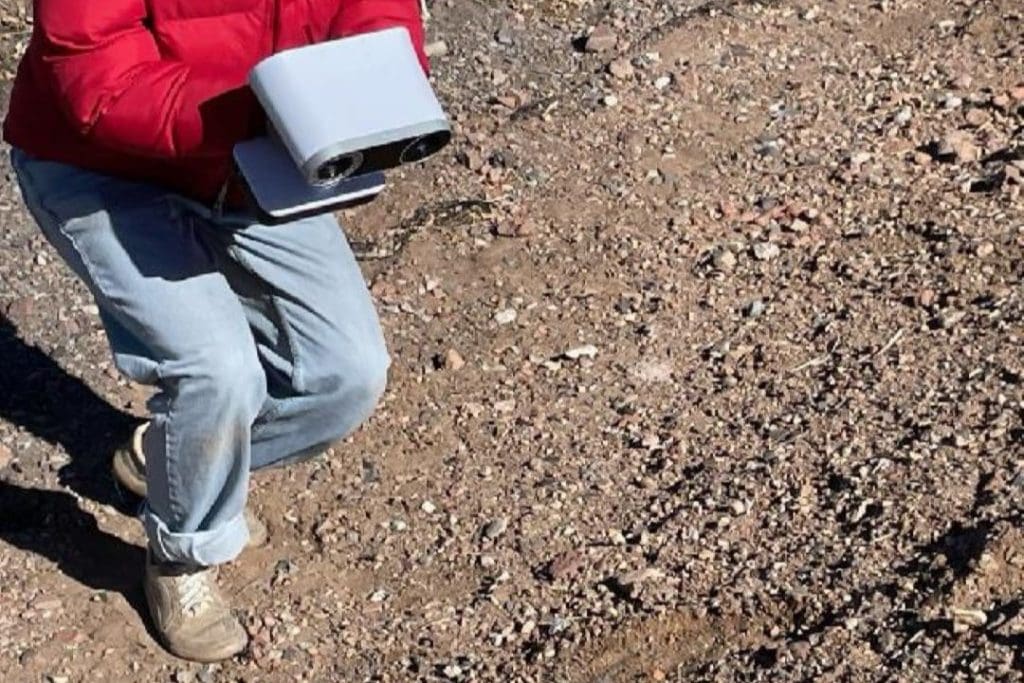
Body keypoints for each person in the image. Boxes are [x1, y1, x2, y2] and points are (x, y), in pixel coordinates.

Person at [4, 0, 428, 663]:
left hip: (262, 155)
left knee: (348, 369)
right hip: (98, 166)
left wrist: (374, 87)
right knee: (215, 368)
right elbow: (97, 80)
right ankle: (180, 556)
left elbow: (374, 12)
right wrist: (266, 113)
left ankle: (171, 463)